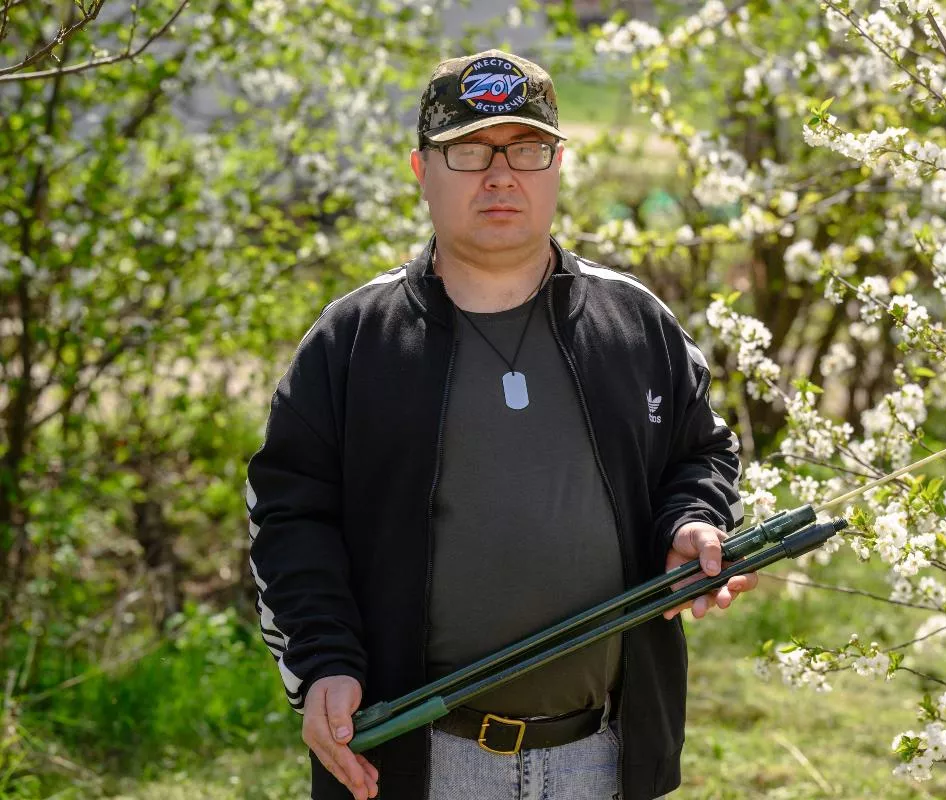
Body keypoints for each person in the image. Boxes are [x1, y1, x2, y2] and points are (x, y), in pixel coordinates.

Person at [246, 49, 754, 800]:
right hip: (418, 756)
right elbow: (290, 516)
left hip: (605, 753)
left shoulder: (635, 323)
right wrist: (323, 662)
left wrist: (690, 523)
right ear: (422, 170)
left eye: (526, 148)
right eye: (469, 150)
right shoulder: (354, 340)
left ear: (556, 166)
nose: (500, 173)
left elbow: (702, 455)